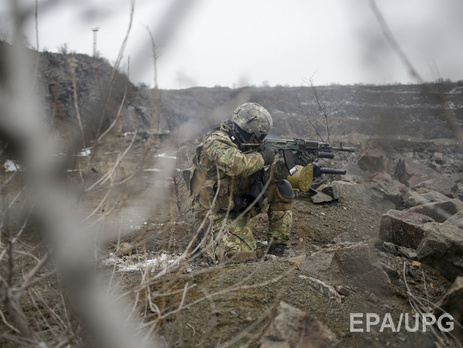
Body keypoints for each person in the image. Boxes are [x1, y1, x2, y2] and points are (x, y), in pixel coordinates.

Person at [186, 102, 314, 263]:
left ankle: (277, 246)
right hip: (215, 212)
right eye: (259, 137)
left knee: (282, 187)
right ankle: (202, 238)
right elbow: (236, 165)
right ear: (246, 130)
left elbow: (267, 177)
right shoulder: (215, 141)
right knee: (237, 259)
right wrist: (264, 156)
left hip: (241, 202)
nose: (261, 141)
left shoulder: (247, 144)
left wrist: (291, 162)